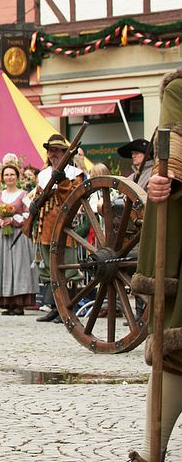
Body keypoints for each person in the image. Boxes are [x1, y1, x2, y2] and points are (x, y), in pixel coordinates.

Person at [130, 67, 181, 462]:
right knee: (177, 349)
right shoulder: (179, 92)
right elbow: (173, 162)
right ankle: (153, 452)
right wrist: (165, 181)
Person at [31, 133, 85, 323]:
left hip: (64, 226)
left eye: (57, 150)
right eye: (50, 150)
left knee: (67, 268)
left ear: (64, 153)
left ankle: (67, 309)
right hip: (45, 225)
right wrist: (34, 203)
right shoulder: (43, 174)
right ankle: (54, 307)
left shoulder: (74, 174)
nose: (53, 154)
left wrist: (62, 181)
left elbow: (74, 199)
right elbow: (39, 194)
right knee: (48, 268)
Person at [0, 163, 37, 315]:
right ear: (2, 178)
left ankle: (19, 303)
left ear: (17, 177)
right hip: (2, 236)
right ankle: (7, 302)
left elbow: (29, 214)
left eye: (12, 174)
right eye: (6, 175)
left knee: (19, 267)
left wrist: (13, 220)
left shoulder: (24, 195)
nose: (9, 177)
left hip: (18, 236)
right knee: (4, 266)